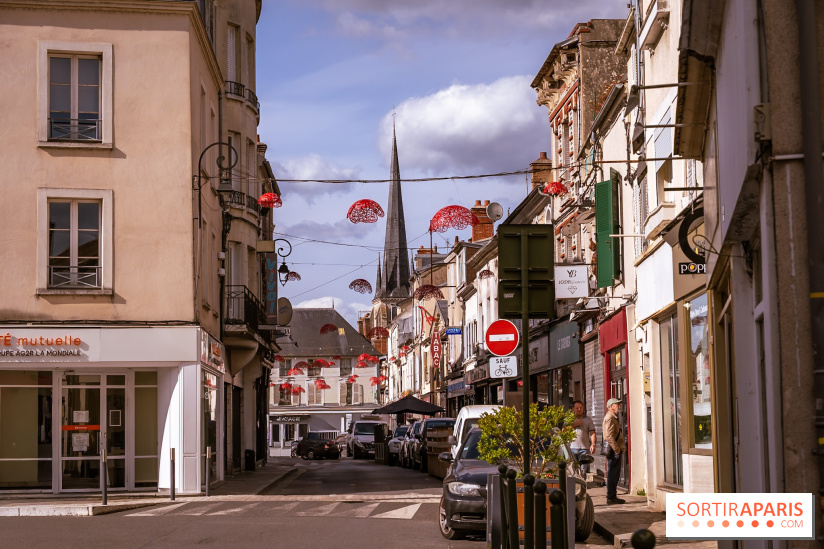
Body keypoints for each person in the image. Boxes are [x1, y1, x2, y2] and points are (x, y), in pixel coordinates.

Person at [602, 398, 626, 504]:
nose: (619, 406)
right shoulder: (610, 418)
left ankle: (612, 496)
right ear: (611, 406)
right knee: (613, 474)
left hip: (615, 449)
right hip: (613, 450)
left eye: (619, 404)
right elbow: (609, 435)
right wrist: (617, 450)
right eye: (616, 404)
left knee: (614, 474)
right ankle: (611, 497)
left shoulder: (613, 417)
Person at [570, 400, 596, 472]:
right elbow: (563, 430)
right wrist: (574, 424)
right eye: (577, 408)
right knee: (573, 470)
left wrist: (593, 444)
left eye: (581, 408)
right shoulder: (570, 419)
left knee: (583, 470)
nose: (579, 409)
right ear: (573, 408)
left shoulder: (588, 419)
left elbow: (592, 433)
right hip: (572, 448)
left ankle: (582, 479)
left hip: (584, 449)